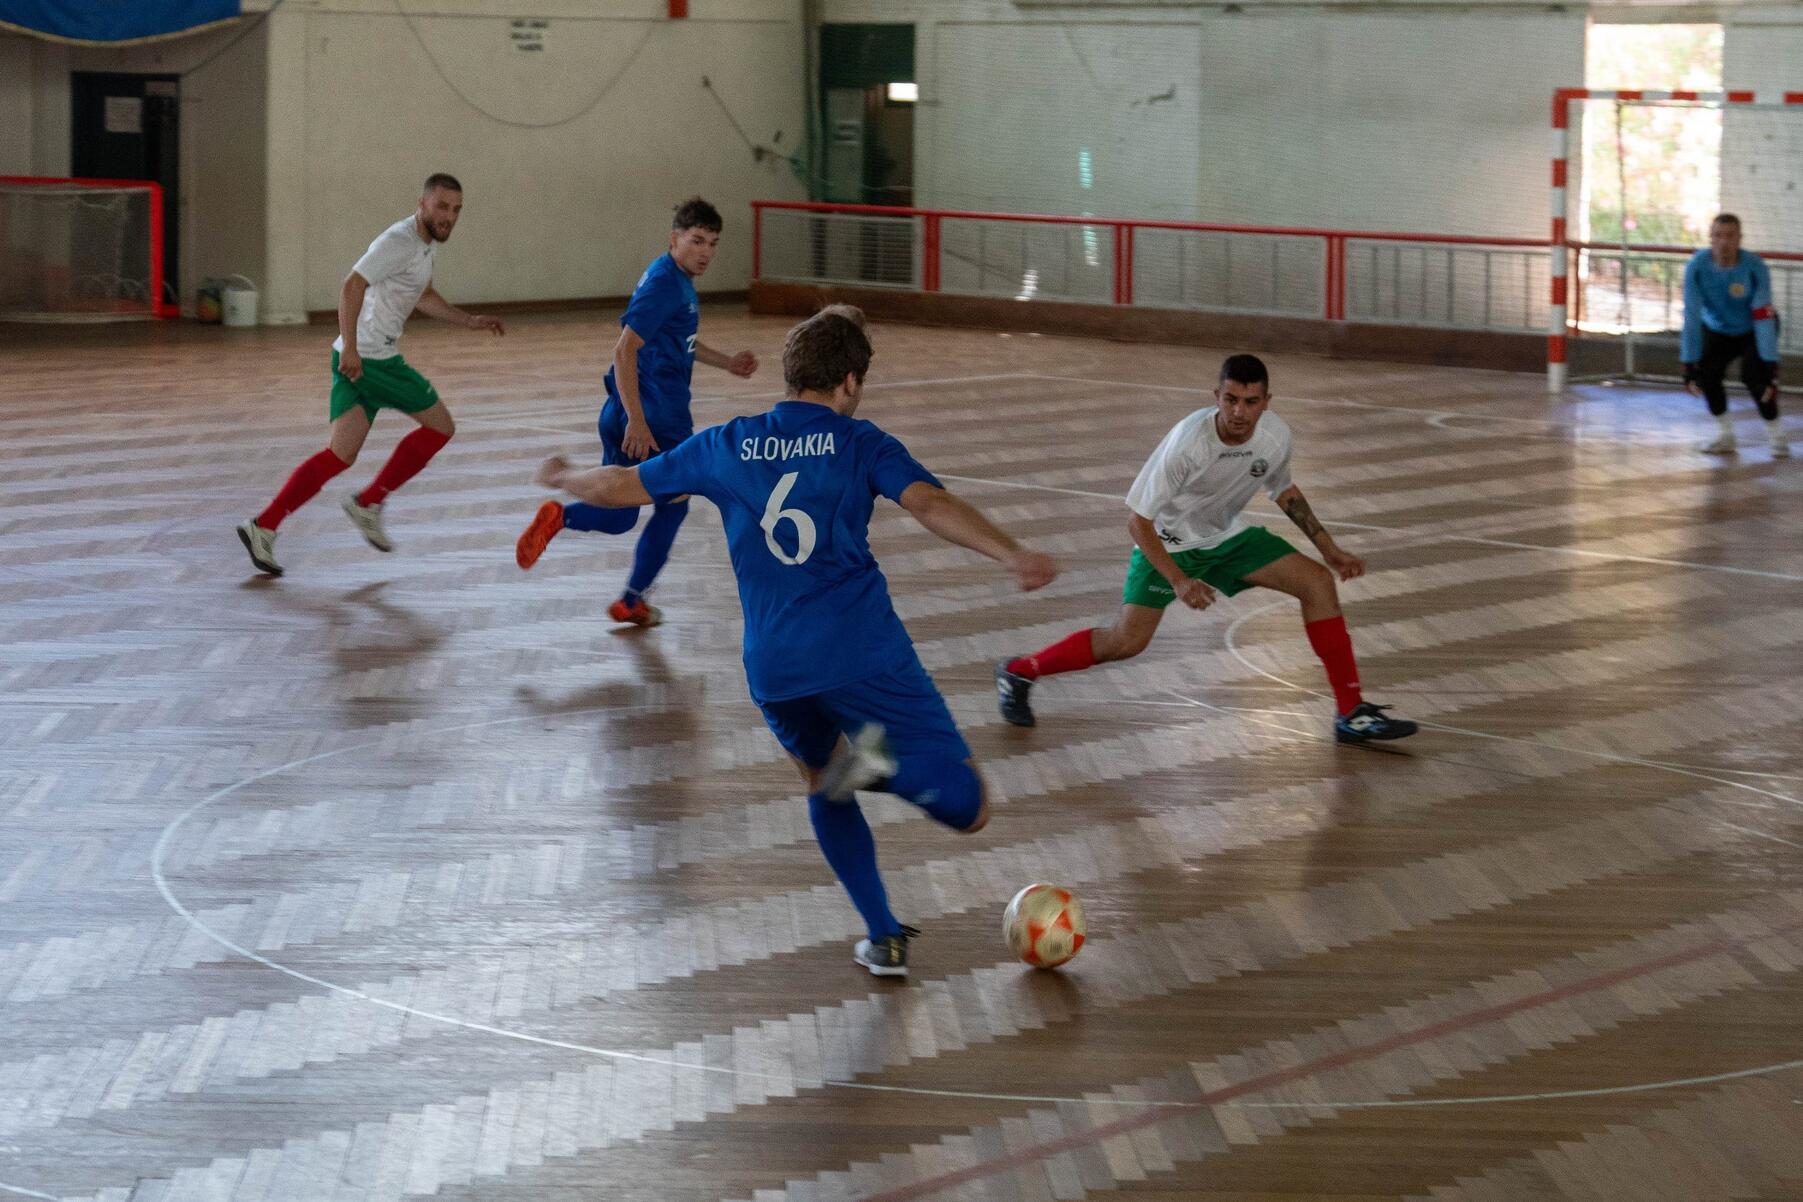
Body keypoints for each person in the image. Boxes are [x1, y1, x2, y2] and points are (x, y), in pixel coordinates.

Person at [533, 307, 1058, 976]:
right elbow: (927, 502)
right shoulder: (860, 442)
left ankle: (883, 937)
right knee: (971, 806)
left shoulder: (726, 444)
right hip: (861, 655)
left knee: (825, 780)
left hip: (774, 668)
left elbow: (622, 486)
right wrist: (1009, 553)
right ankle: (883, 765)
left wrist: (561, 478)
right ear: (848, 382)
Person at [995, 353, 1417, 745]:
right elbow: (1137, 521)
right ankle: (1020, 672)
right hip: (1170, 547)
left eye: (1251, 402)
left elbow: (1283, 489)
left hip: (1228, 538)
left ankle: (1350, 713)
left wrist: (1329, 548)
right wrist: (1179, 581)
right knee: (1125, 642)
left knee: (1318, 582)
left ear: (1266, 402)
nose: (1239, 412)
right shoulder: (1187, 443)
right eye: (1231, 399)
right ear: (1216, 397)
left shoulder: (1275, 437)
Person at [236, 173, 504, 576]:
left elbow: (423, 294)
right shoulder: (398, 241)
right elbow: (351, 285)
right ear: (422, 203)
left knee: (340, 455)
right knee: (441, 427)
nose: (450, 216)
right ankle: (369, 502)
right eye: (442, 206)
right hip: (373, 360)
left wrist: (468, 320)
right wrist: (355, 348)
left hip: (352, 357)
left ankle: (264, 526)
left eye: (456, 210)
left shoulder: (424, 246)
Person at [514, 196, 759, 626]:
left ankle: (560, 516)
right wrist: (639, 421)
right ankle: (631, 599)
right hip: (654, 421)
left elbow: (676, 341)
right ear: (675, 238)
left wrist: (727, 363)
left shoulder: (672, 278)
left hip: (628, 413)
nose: (705, 252)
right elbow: (624, 348)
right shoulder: (667, 284)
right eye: (697, 240)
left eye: (713, 243)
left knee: (620, 514)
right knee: (674, 504)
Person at [1683, 213, 1787, 458]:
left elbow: (1762, 312)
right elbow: (1691, 314)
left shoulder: (1754, 266)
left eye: (1730, 236)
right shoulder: (1697, 266)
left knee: (1755, 378)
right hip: (1718, 329)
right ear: (1711, 238)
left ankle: (1776, 435)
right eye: (1718, 236)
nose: (1724, 242)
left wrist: (1770, 364)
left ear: (1740, 239)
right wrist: (1689, 363)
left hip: (1754, 327)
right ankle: (1725, 435)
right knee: (1707, 376)